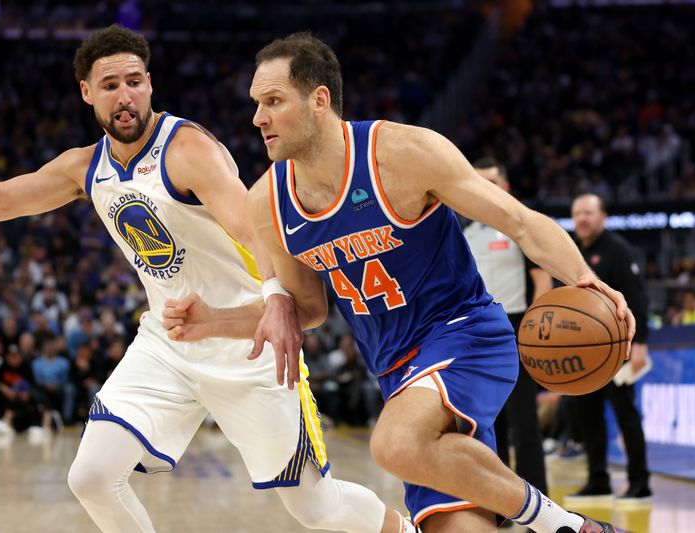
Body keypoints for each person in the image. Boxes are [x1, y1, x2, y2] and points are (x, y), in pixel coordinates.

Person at [0, 24, 413, 533]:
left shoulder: (186, 150)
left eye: (135, 81)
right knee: (92, 476)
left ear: (150, 83)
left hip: (245, 343)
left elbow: (258, 232)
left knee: (314, 508)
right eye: (110, 85)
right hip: (169, 341)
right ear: (86, 93)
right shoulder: (85, 168)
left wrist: (279, 300)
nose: (125, 96)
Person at [242, 33, 635, 533]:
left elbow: (518, 221)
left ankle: (567, 527)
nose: (258, 118)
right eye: (257, 103)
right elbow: (309, 309)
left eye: (273, 101)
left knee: (393, 444)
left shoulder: (403, 154)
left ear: (320, 100)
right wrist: (264, 301)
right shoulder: (267, 203)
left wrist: (585, 278)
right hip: (397, 379)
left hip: (466, 334)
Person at [463, 158, 550, 497]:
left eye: (492, 182)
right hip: (478, 331)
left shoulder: (519, 227)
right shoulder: (465, 231)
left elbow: (543, 280)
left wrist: (537, 327)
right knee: (488, 424)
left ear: (506, 186)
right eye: (479, 182)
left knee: (524, 419)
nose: (486, 189)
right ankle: (501, 500)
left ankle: (538, 499)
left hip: (516, 327)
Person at [566, 193, 652, 503]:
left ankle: (640, 482)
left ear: (603, 217)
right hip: (584, 354)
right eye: (577, 214)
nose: (582, 219)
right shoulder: (573, 253)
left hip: (619, 349)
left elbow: (637, 299)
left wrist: (640, 343)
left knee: (626, 415)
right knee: (588, 416)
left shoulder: (618, 250)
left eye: (588, 213)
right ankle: (598, 479)